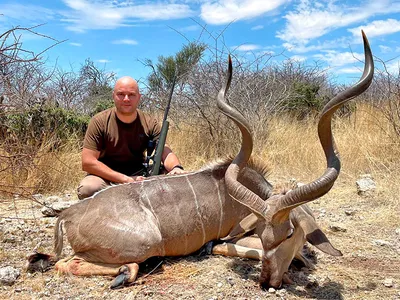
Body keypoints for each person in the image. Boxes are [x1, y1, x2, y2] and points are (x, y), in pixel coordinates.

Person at [77, 76, 185, 200]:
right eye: (121, 94)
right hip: (107, 177)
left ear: (139, 97)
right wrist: (125, 180)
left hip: (139, 175)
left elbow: (163, 149)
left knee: (175, 180)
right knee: (88, 188)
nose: (126, 99)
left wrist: (176, 167)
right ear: (113, 96)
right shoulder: (99, 121)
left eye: (131, 95)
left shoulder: (149, 122)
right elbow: (88, 163)